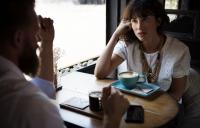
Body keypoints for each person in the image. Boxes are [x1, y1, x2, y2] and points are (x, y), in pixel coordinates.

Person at [0, 0, 129, 128]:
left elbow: (42, 89)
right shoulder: (34, 109)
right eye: (35, 33)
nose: (37, 41)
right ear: (18, 38)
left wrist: (47, 42)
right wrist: (112, 119)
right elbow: (34, 102)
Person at [95, 0, 190, 102]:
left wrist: (153, 108)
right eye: (134, 20)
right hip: (133, 103)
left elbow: (176, 93)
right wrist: (115, 35)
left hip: (164, 106)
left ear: (158, 21)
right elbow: (100, 73)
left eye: (145, 19)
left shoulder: (180, 50)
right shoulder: (127, 45)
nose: (139, 27)